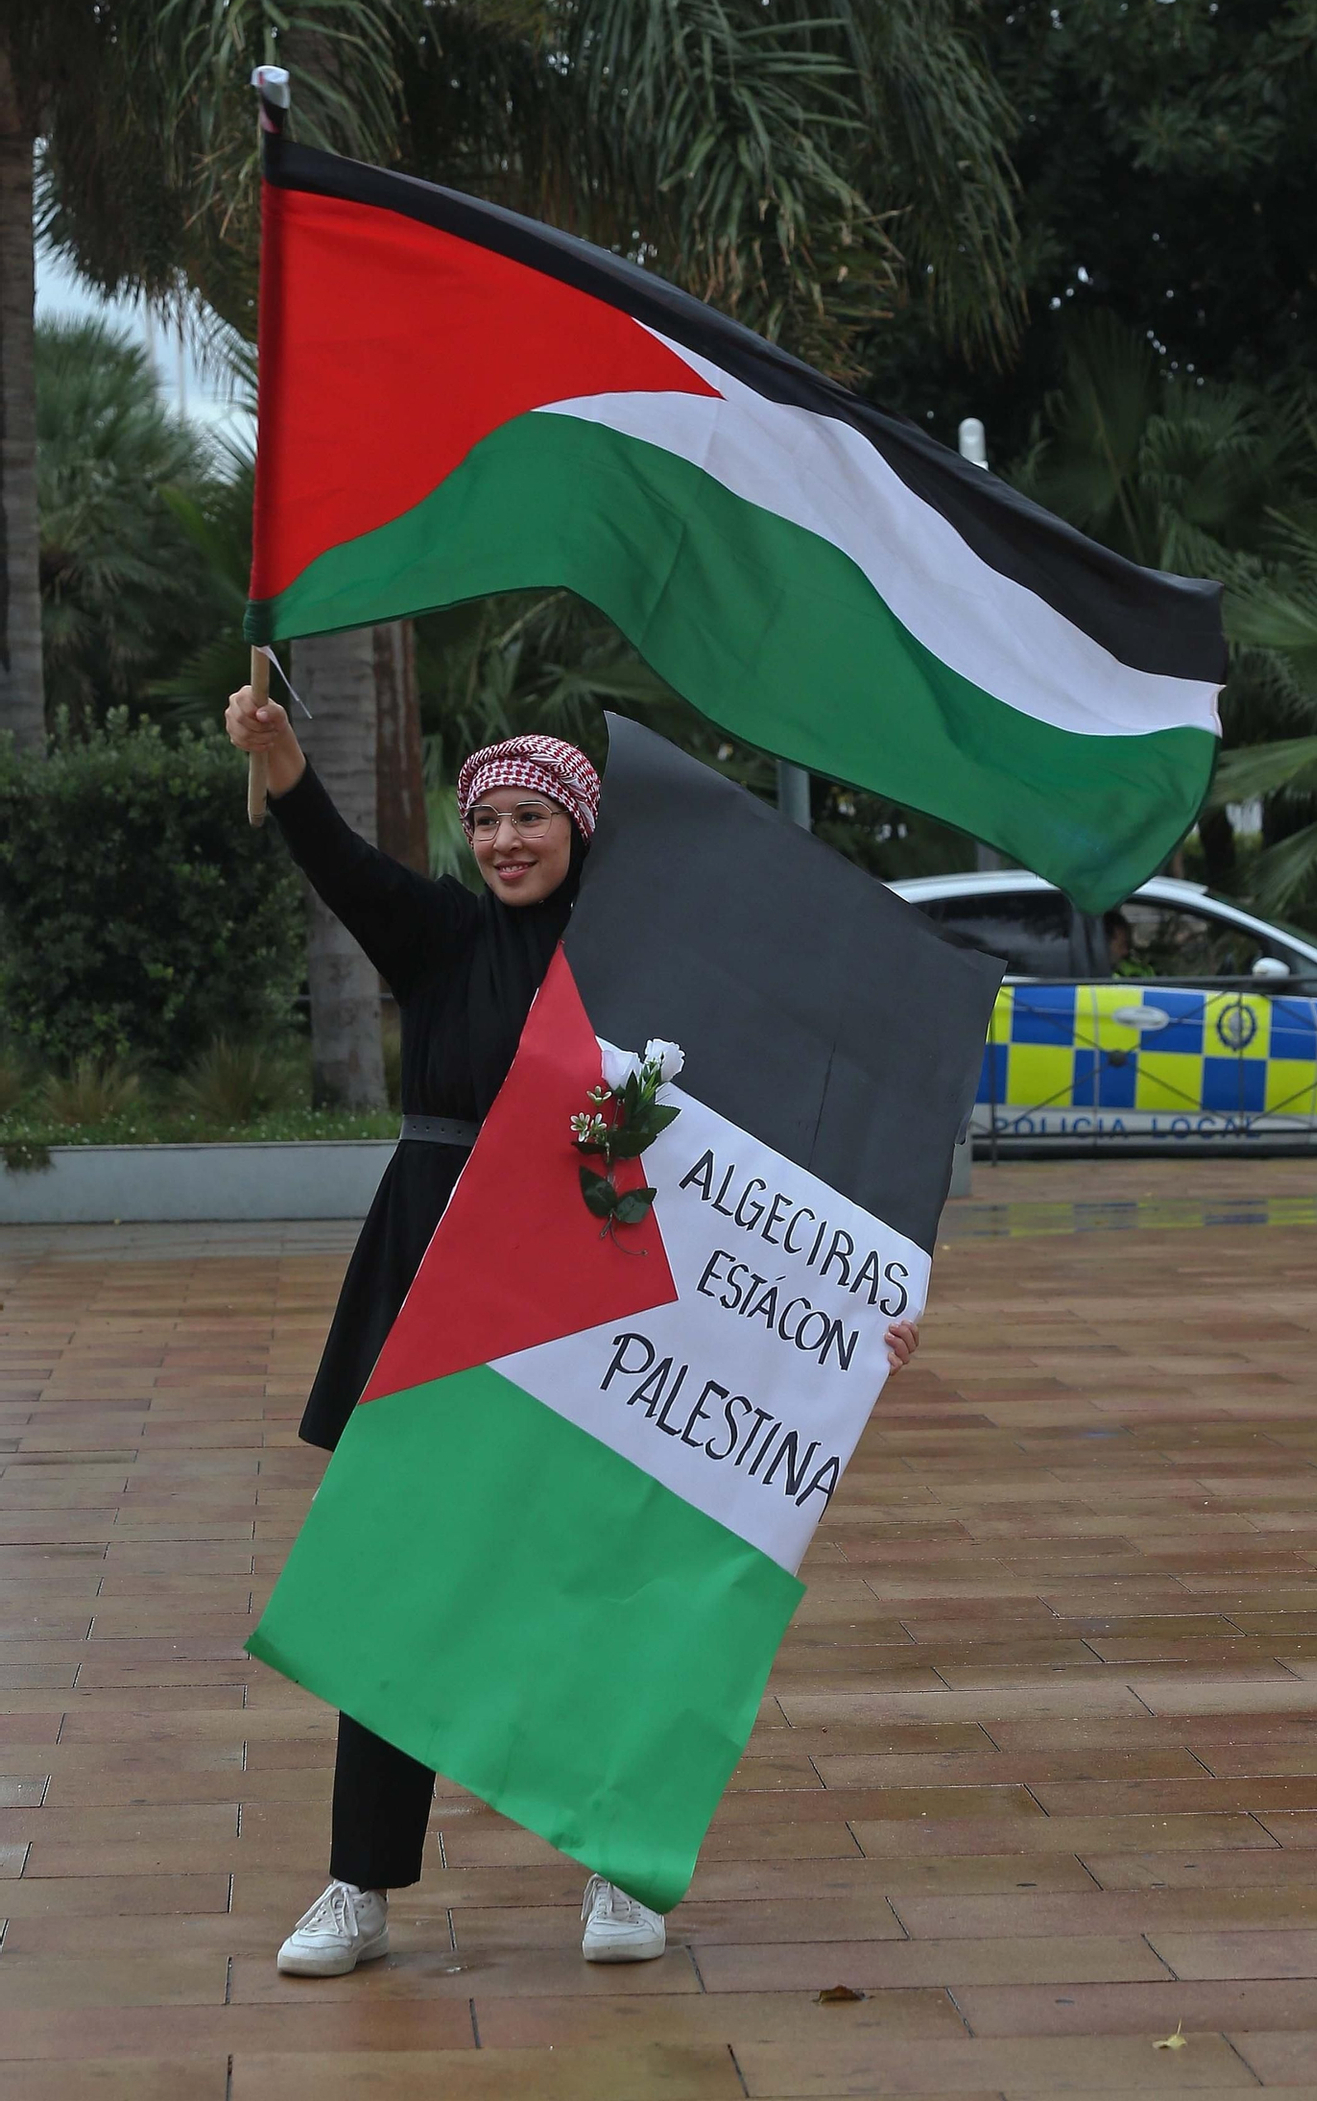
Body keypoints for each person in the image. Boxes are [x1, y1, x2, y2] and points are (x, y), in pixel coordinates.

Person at [223, 687, 921, 1979]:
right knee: (401, 1592)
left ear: (580, 829)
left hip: (599, 1313)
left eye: (529, 815)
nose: (502, 840)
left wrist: (854, 1299)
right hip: (438, 1297)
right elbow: (344, 868)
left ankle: (621, 1869)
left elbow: (760, 1161)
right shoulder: (437, 939)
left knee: (605, 1583)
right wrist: (284, 768)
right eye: (483, 818)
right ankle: (357, 1887)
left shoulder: (650, 970)